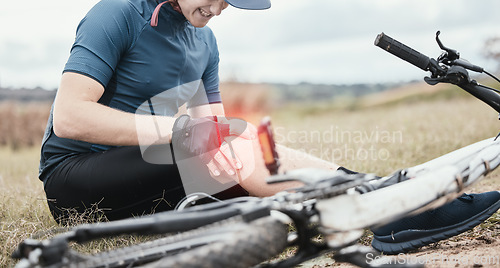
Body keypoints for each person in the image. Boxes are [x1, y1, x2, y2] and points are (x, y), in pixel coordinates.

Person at [39, 0, 500, 254]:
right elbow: (72, 116)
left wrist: (227, 140)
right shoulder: (117, 14)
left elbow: (215, 129)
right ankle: (391, 209)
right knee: (232, 143)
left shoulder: (206, 41)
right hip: (78, 180)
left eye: (230, 2)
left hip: (156, 176)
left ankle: (387, 201)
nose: (221, 7)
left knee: (254, 150)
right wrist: (182, 131)